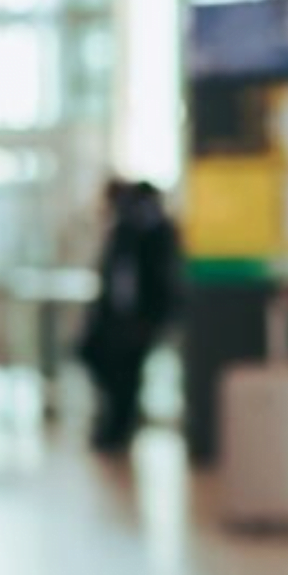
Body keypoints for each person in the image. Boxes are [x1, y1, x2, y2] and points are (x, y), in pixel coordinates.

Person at [78, 180, 183, 451]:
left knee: (125, 374)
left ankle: (117, 429)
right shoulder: (135, 227)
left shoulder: (142, 228)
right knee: (116, 370)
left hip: (136, 318)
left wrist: (150, 316)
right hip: (126, 317)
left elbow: (151, 278)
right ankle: (115, 428)